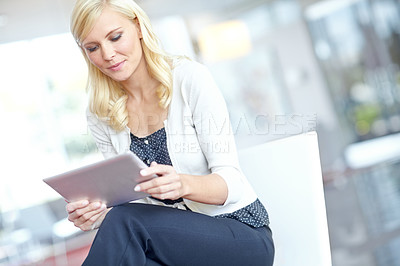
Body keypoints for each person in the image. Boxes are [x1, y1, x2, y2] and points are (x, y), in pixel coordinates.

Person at [67, 0, 274, 265]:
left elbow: (232, 183)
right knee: (126, 232)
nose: (107, 54)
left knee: (125, 220)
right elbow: (132, 202)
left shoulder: (190, 79)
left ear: (139, 27)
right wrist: (97, 213)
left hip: (238, 233)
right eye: (93, 48)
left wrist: (182, 183)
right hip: (174, 245)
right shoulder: (100, 112)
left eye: (116, 37)